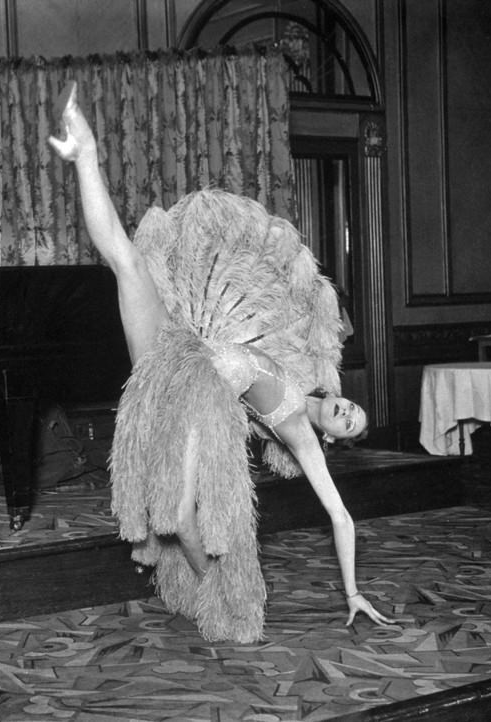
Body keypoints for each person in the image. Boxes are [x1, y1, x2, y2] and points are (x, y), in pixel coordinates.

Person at [48, 83, 393, 642]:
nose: (348, 411)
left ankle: (215, 592)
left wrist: (352, 591)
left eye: (350, 423)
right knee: (127, 263)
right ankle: (85, 152)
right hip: (176, 350)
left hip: (198, 391)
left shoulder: (302, 436)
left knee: (180, 516)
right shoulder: (300, 370)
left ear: (332, 437)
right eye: (352, 407)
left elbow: (341, 517)